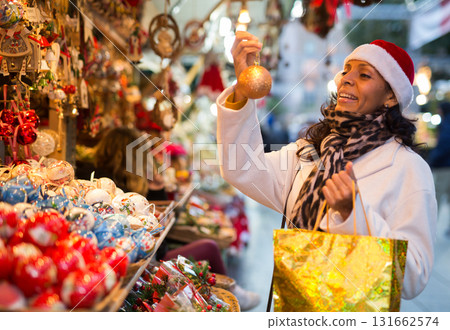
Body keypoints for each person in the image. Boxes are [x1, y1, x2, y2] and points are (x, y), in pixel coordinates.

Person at [216, 31, 437, 300]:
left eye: (364, 74)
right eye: (346, 71)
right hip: (296, 307)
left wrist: (352, 214)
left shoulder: (408, 169)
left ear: (391, 96)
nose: (347, 79)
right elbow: (241, 168)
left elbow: (413, 277)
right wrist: (242, 91)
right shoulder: (310, 153)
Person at [81, 127, 260, 310]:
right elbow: (164, 231)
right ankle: (231, 295)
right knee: (210, 246)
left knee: (208, 247)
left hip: (130, 253)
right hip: (149, 257)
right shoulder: (134, 185)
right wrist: (159, 188)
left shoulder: (98, 181)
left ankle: (231, 293)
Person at [428, 102, 450, 236]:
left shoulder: (446, 124)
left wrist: (433, 160)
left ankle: (430, 227)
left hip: (444, 166)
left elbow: (444, 144)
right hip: (446, 165)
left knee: (437, 197)